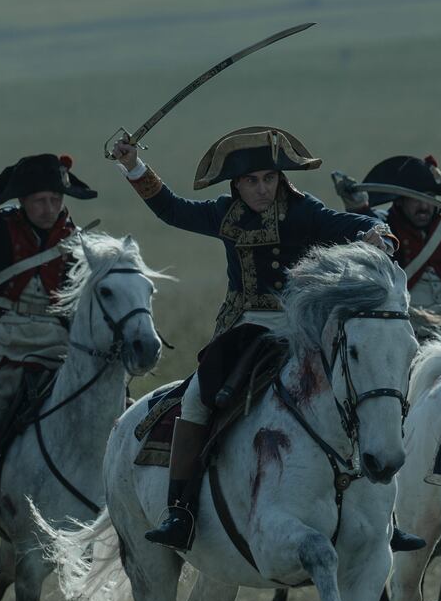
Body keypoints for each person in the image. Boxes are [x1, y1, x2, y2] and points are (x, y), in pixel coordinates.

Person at [111, 126, 417, 552]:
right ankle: (179, 510)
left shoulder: (303, 211)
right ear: (236, 184)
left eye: (269, 179)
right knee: (198, 397)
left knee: (359, 389)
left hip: (298, 328)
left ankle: (387, 516)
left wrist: (376, 233)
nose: (262, 189)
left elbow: (353, 222)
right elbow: (172, 210)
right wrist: (133, 166)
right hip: (243, 329)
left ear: (281, 179)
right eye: (252, 181)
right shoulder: (223, 214)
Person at [0, 153, 96, 544]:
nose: (49, 209)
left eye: (56, 200)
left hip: (59, 339)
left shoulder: (77, 237)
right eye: (41, 201)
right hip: (6, 336)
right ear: (23, 201)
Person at [335, 155, 441, 319]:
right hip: (406, 318)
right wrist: (359, 208)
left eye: (428, 197)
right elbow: (371, 225)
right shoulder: (385, 223)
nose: (423, 206)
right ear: (400, 201)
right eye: (415, 199)